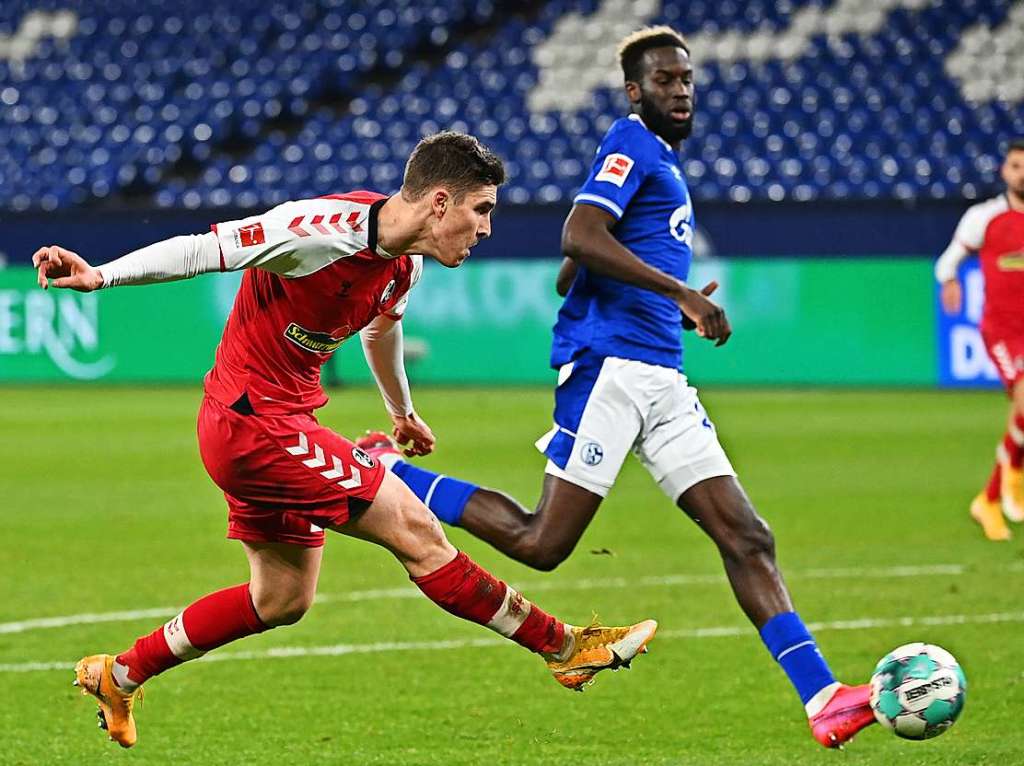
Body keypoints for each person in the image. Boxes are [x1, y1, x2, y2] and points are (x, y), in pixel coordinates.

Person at [32, 131, 657, 749]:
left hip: (271, 425)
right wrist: (100, 278)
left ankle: (120, 674)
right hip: (253, 423)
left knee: (281, 598)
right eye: (482, 209)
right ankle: (563, 647)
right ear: (440, 201)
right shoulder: (316, 230)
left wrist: (402, 413)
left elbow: (379, 332)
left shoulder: (402, 267)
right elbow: (204, 250)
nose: (486, 228)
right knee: (415, 530)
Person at [359, 28, 874, 749]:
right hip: (612, 372)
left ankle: (823, 698)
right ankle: (389, 472)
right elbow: (578, 233)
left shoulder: (659, 162)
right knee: (543, 543)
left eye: (687, 79)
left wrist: (638, 289)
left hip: (661, 376)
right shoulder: (629, 142)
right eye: (665, 80)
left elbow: (577, 267)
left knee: (747, 536)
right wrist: (681, 294)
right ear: (636, 91)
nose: (681, 90)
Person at [936, 138, 1024, 541]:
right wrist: (949, 281)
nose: (1021, 173)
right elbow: (949, 259)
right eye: (1015, 166)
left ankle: (988, 499)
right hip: (1003, 329)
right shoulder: (984, 217)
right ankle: (1015, 478)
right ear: (1004, 171)